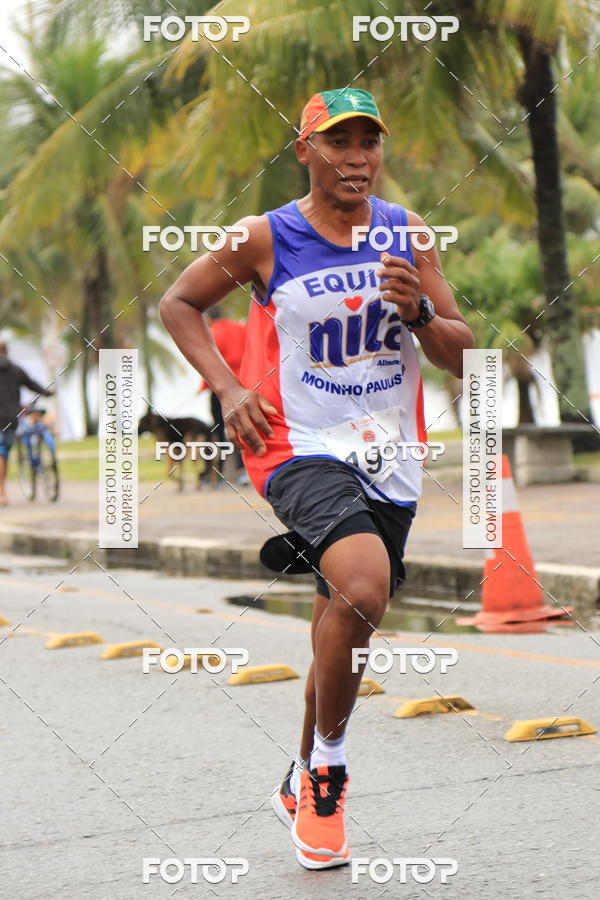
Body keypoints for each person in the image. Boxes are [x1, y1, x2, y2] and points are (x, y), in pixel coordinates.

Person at [159, 88, 474, 869]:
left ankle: (297, 776)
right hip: (295, 445)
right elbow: (178, 302)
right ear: (305, 151)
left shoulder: (408, 232)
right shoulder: (264, 237)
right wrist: (228, 388)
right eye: (339, 142)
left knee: (343, 620)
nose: (358, 158)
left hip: (390, 454)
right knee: (363, 588)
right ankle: (328, 775)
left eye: (370, 142)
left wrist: (421, 315)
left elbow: (465, 356)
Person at [0, 340, 54, 506]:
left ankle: (1, 492)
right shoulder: (15, 369)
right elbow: (32, 384)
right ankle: (2, 491)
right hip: (11, 417)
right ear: (7, 351)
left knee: (1, 453)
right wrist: (48, 393)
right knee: (3, 453)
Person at [197, 306, 247, 482]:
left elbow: (210, 364)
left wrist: (203, 386)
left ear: (208, 319)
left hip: (221, 389)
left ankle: (218, 472)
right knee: (243, 424)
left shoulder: (212, 333)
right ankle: (243, 469)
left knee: (218, 429)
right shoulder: (240, 328)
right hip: (245, 386)